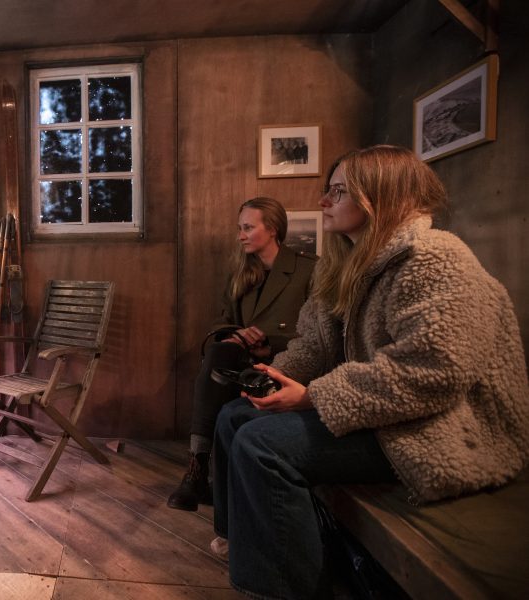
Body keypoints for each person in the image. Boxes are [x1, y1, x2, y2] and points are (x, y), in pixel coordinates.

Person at [210, 145, 529, 598]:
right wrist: (273, 378)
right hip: (385, 410)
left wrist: (313, 397)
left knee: (264, 445)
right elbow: (314, 347)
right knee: (235, 417)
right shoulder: (345, 264)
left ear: (379, 196)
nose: (324, 202)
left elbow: (435, 370)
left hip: (444, 428)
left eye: (337, 192)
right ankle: (241, 540)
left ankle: (280, 589)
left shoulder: (435, 258)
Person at [167, 197, 316, 511]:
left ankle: (197, 472)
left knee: (218, 363)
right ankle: (196, 470)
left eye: (248, 228)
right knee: (220, 352)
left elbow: (316, 335)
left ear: (272, 229)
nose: (240, 236)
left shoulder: (308, 270)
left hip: (282, 366)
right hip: (238, 363)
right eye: (239, 228)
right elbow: (223, 322)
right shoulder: (241, 273)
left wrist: (269, 342)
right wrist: (237, 334)